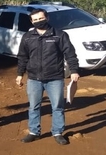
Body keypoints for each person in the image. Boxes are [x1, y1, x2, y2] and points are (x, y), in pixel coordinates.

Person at [15, 8, 80, 145]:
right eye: (35, 20)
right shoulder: (28, 37)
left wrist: (74, 70)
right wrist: (20, 74)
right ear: (32, 22)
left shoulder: (59, 35)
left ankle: (57, 132)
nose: (39, 22)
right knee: (34, 106)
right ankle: (34, 132)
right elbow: (22, 57)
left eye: (41, 18)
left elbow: (70, 54)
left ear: (47, 18)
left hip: (55, 78)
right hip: (33, 78)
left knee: (57, 106)